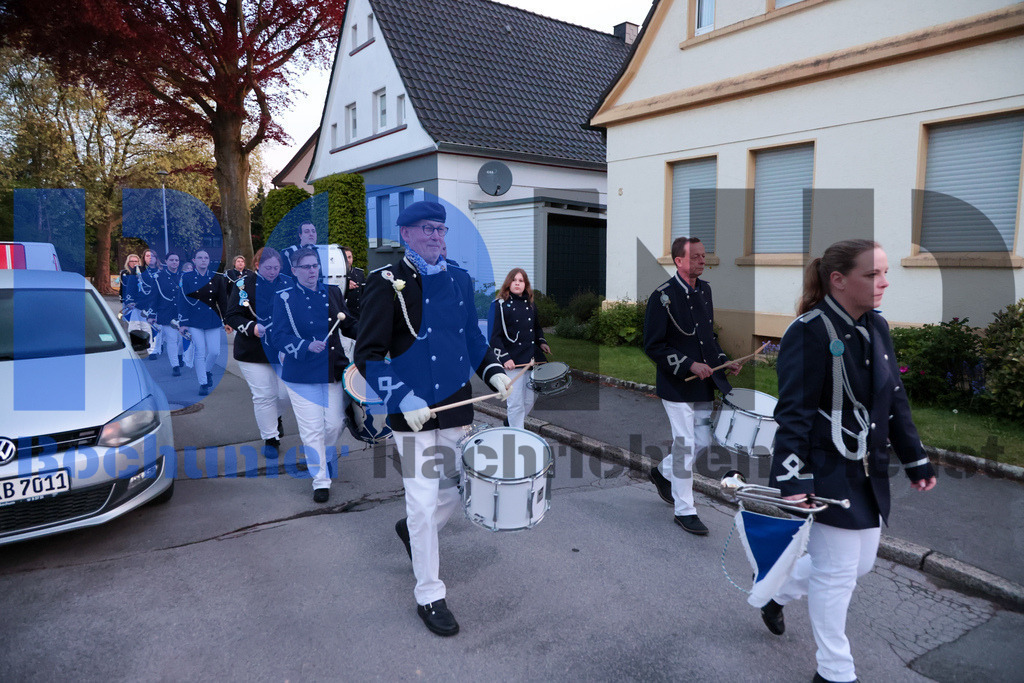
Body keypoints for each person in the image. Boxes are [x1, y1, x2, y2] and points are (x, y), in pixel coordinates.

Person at [760, 240, 936, 683]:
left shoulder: (877, 326)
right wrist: (791, 478)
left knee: (860, 565)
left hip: (867, 469)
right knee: (837, 575)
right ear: (838, 280)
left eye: (884, 272)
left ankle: (776, 591)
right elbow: (794, 411)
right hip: (827, 470)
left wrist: (915, 459)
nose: (884, 282)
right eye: (872, 274)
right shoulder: (810, 330)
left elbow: (894, 397)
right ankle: (835, 670)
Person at [354, 200, 511, 637]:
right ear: (405, 234)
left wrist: (494, 371)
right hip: (413, 415)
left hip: (455, 407)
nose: (435, 237)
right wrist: (401, 397)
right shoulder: (385, 284)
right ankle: (430, 593)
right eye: (426, 229)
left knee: (463, 489)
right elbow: (367, 356)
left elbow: (473, 340)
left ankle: (413, 529)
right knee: (423, 502)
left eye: (440, 230)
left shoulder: (458, 278)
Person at [643, 237, 740, 536]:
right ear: (679, 261)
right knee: (685, 445)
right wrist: (688, 364)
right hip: (676, 384)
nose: (702, 261)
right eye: (696, 257)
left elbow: (706, 337)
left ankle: (662, 473)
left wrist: (724, 360)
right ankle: (685, 510)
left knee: (703, 442)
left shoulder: (705, 290)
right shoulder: (661, 297)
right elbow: (653, 345)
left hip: (703, 383)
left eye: (703, 256)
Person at [271, 246, 357, 502]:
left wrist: (376, 333)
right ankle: (320, 480)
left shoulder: (331, 292)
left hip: (332, 368)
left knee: (334, 423)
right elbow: (278, 336)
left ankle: (325, 454)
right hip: (301, 372)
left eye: (315, 266)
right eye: (306, 267)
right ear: (294, 270)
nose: (312, 271)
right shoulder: (284, 297)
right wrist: (304, 346)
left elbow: (348, 322)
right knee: (311, 429)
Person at [225, 247, 294, 458]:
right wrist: (252, 327)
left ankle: (274, 418)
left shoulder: (288, 284)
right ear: (257, 265)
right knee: (264, 396)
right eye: (267, 267)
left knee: (285, 394)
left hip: (282, 350)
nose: (272, 271)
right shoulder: (243, 285)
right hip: (252, 350)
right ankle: (271, 438)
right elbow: (232, 315)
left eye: (276, 267)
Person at [487, 268, 551, 429]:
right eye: (514, 280)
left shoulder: (530, 304)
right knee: (515, 404)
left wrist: (542, 342)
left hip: (531, 359)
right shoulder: (499, 306)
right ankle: (517, 435)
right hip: (512, 361)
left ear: (525, 284)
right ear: (508, 283)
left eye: (521, 280)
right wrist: (504, 358)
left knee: (529, 400)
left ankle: (511, 422)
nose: (517, 283)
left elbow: (536, 328)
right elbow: (494, 337)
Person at [178, 249, 228, 396]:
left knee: (214, 351)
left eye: (206, 257)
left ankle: (206, 371)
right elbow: (182, 300)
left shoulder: (217, 278)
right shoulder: (186, 278)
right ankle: (203, 383)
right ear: (194, 260)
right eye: (200, 258)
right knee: (200, 351)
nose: (203, 260)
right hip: (193, 320)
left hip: (212, 319)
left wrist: (227, 320)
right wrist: (183, 322)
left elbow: (223, 301)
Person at [151, 250, 184, 376]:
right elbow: (154, 297)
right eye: (171, 260)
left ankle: (179, 355)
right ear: (166, 261)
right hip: (166, 312)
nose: (174, 262)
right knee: (172, 340)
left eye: (176, 260)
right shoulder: (159, 277)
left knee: (181, 339)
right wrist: (151, 315)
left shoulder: (183, 276)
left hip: (181, 313)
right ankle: (175, 365)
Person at [340, 245, 365, 317]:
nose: (348, 260)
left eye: (349, 257)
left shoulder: (359, 273)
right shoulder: (337, 275)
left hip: (359, 314)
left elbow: (364, 294)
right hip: (345, 315)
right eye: (345, 257)